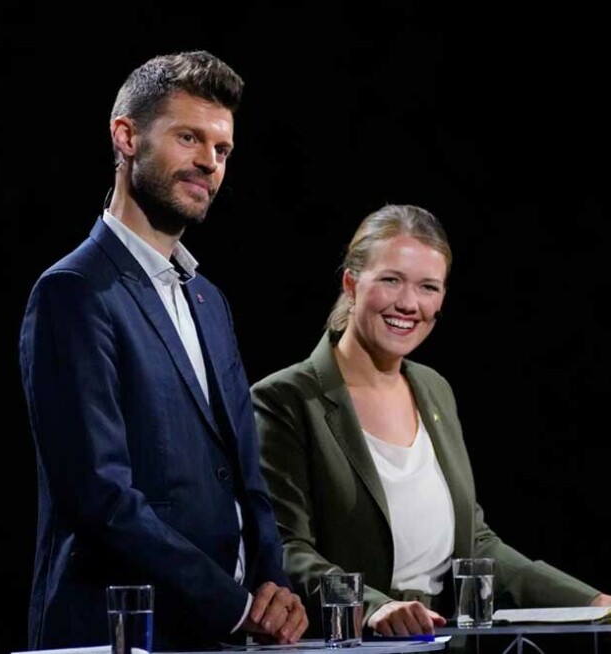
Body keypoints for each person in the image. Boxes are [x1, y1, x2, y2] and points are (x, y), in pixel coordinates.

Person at [18, 50, 308, 651]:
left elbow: (246, 476)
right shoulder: (73, 292)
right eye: (188, 138)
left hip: (222, 635)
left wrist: (272, 584)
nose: (209, 162)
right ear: (126, 137)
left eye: (223, 150)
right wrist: (235, 605)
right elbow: (101, 498)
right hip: (121, 632)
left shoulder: (209, 299)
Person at [251, 204, 611, 640]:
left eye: (428, 287)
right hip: (349, 644)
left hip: (447, 643)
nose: (408, 303)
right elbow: (286, 549)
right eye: (391, 280)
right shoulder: (284, 399)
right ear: (351, 283)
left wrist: (590, 601)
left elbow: (475, 544)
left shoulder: (434, 389)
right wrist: (375, 607)